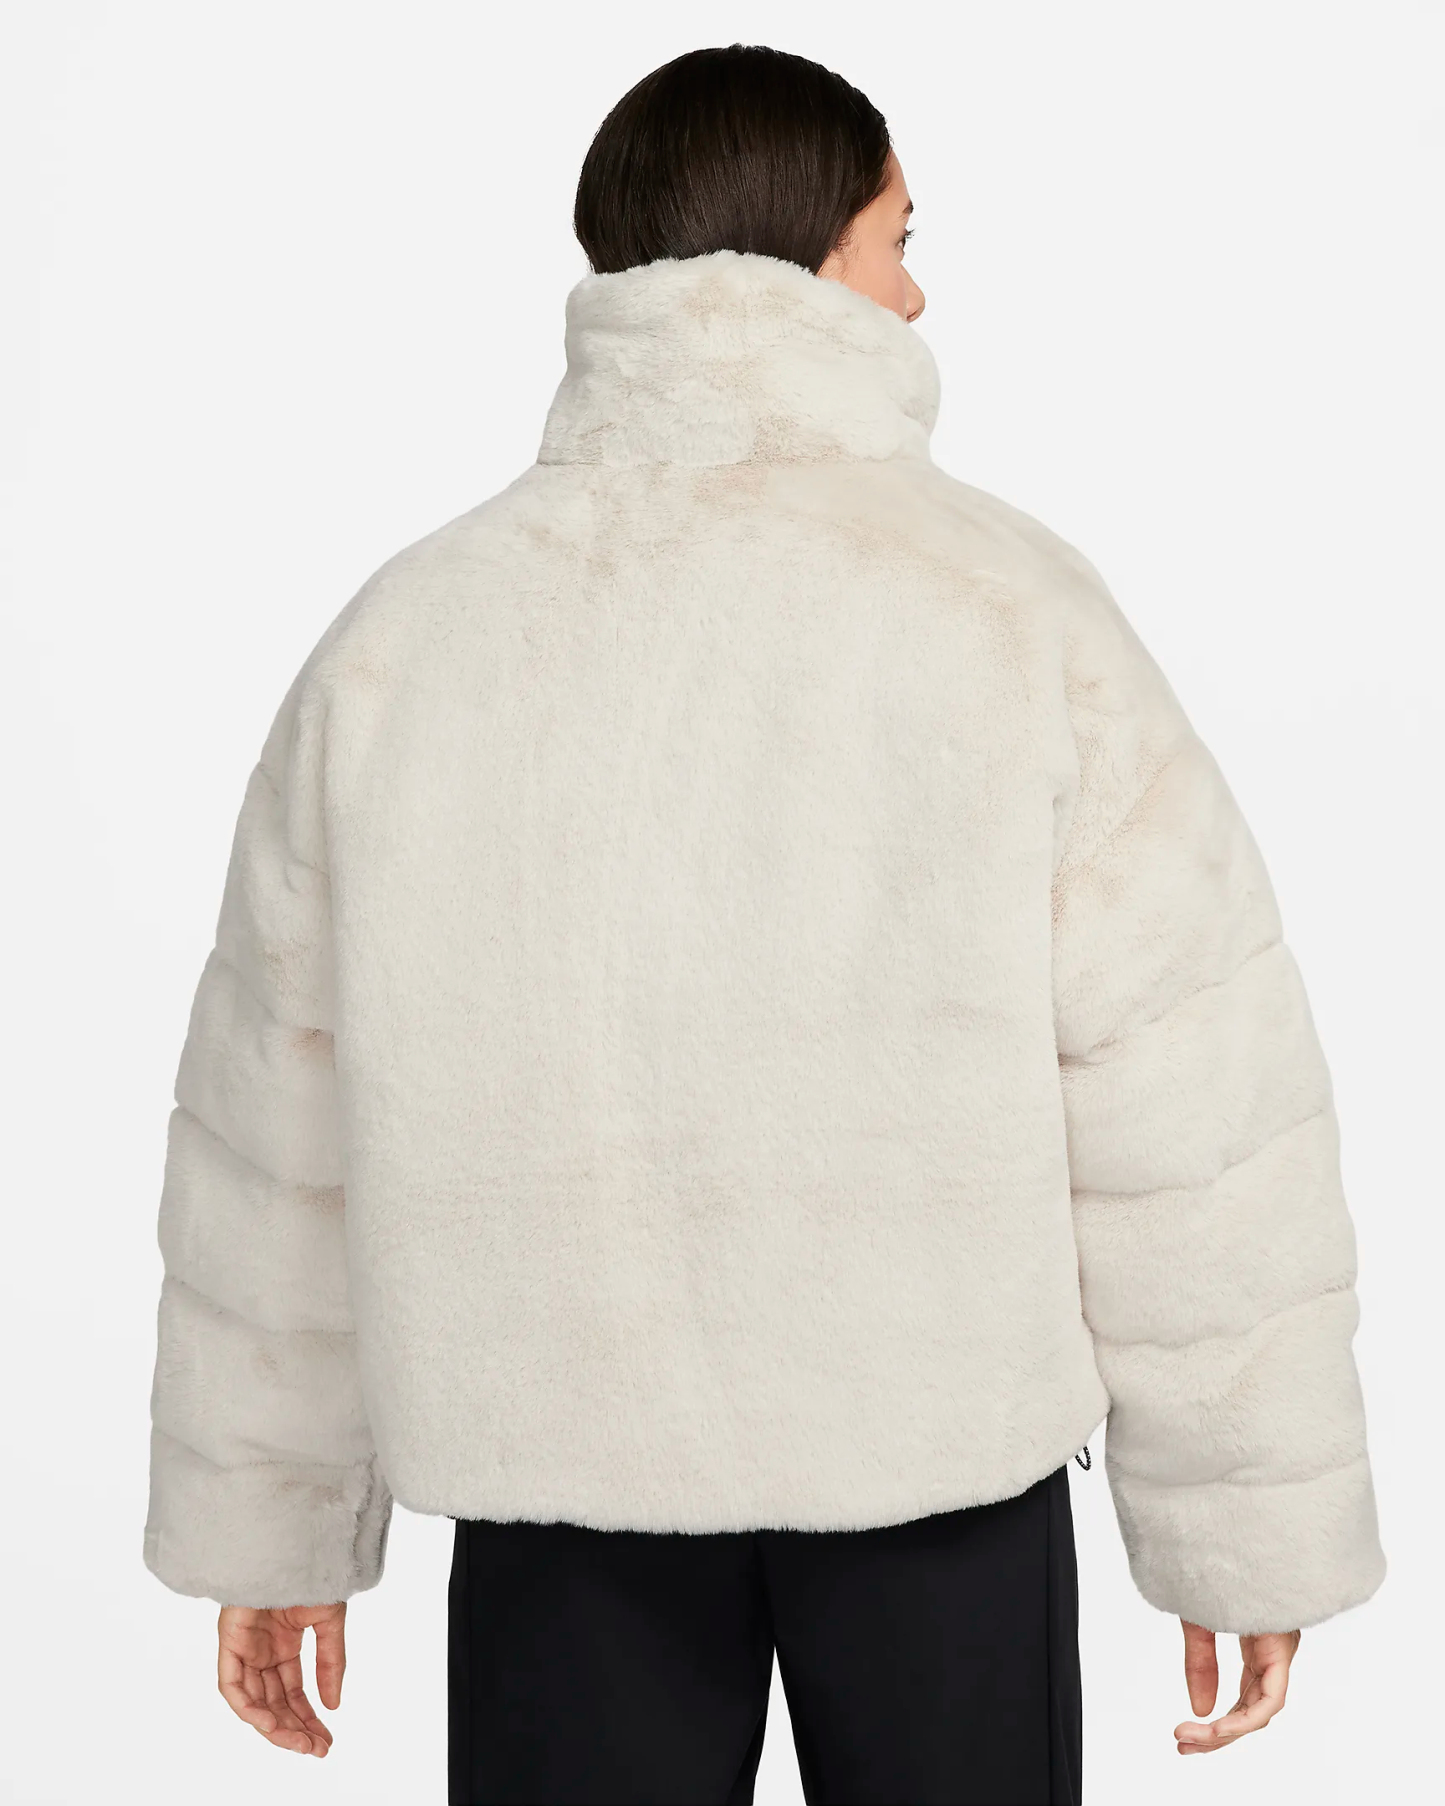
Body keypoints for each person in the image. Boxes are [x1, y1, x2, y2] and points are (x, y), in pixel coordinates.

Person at [142, 42, 1386, 1806]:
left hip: (552, 1494)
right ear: (806, 252)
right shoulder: (1003, 608)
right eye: (897, 235)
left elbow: (279, 1135)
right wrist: (1244, 1532)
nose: (917, 290)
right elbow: (1188, 1108)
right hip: (935, 1481)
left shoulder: (410, 637)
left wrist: (269, 1521)